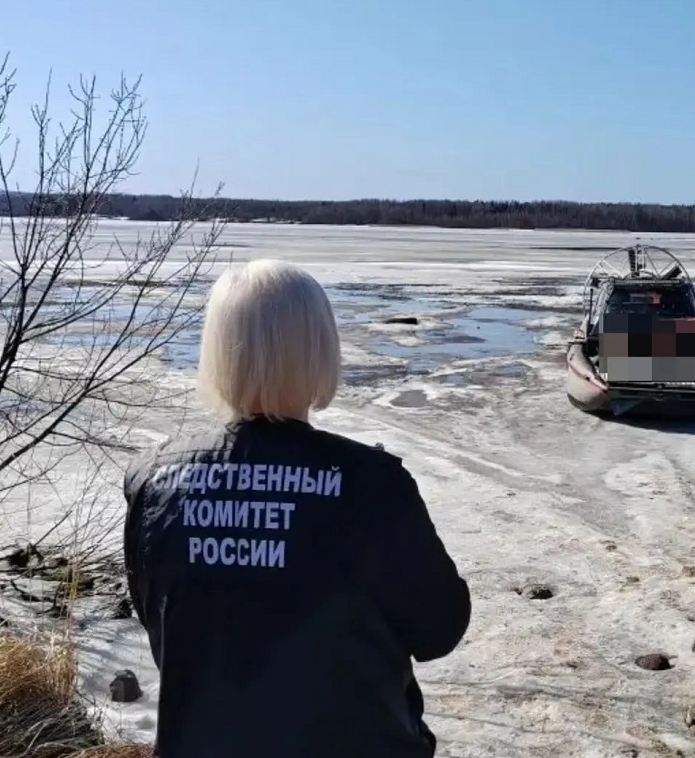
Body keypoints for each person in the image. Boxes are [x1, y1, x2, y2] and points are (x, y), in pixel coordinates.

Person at [122, 259, 472, 758]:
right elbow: (439, 628)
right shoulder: (372, 485)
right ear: (319, 350)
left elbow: (162, 624)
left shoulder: (154, 483)